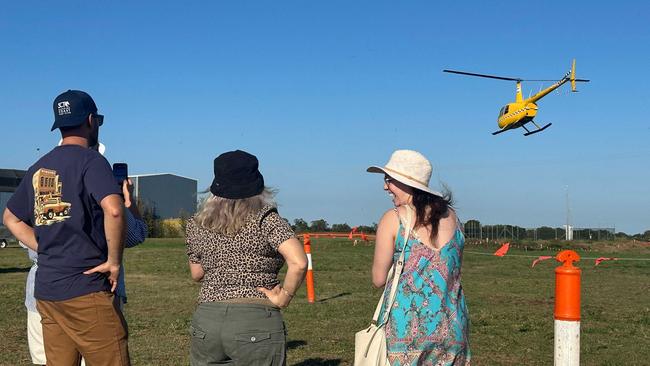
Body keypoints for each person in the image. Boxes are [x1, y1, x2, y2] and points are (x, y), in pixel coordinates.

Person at [3, 89, 130, 366]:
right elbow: (115, 209)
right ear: (91, 120)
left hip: (48, 293)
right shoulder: (92, 161)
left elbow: (10, 218)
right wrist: (114, 261)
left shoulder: (39, 166)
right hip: (85, 289)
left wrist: (44, 247)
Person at [185, 150, 308, 366]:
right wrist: (284, 296)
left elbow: (197, 274)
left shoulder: (197, 223)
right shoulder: (266, 219)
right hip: (255, 319)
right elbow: (298, 262)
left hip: (207, 320)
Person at [21, 178, 146, 365]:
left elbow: (16, 226)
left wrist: (51, 251)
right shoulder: (100, 192)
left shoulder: (40, 192)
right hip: (91, 291)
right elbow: (135, 234)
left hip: (43, 292)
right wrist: (127, 199)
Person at [367, 149, 470, 365]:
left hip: (407, 333)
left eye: (389, 180)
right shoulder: (453, 217)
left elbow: (378, 279)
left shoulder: (394, 218)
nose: (385, 186)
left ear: (406, 182)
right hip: (453, 329)